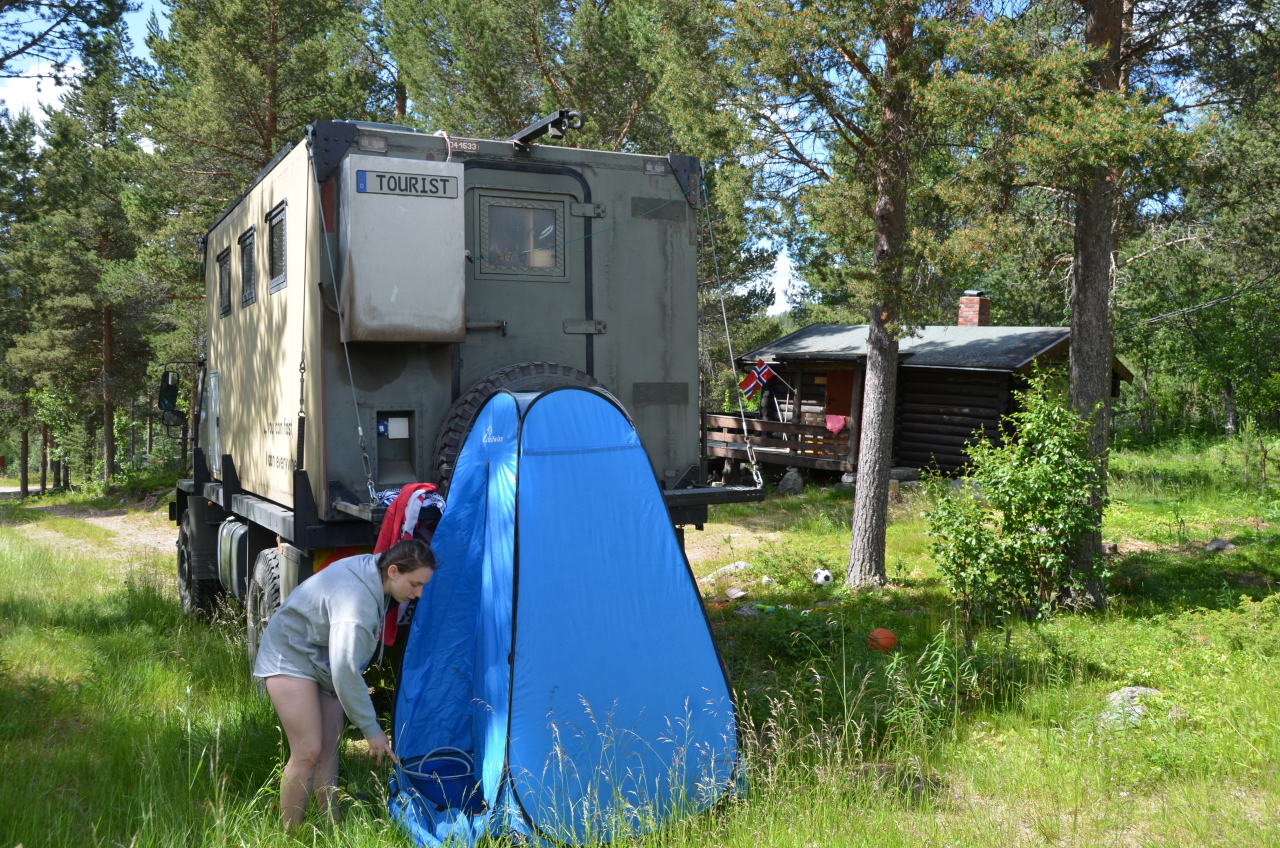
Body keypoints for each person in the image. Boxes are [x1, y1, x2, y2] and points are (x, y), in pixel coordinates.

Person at [253, 538, 436, 830]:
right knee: (308, 751)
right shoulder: (358, 604)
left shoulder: (374, 568)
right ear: (392, 571)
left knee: (329, 747)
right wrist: (372, 730)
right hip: (290, 653)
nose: (419, 593)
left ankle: (331, 825)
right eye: (415, 584)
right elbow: (345, 670)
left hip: (322, 655)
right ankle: (290, 834)